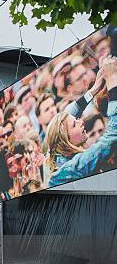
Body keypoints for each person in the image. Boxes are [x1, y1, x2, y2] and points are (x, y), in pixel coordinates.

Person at [46, 57, 116, 187]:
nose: (81, 122)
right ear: (66, 139)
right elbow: (112, 135)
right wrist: (112, 82)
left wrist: (95, 88)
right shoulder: (68, 170)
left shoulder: (60, 154)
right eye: (74, 124)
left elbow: (67, 114)